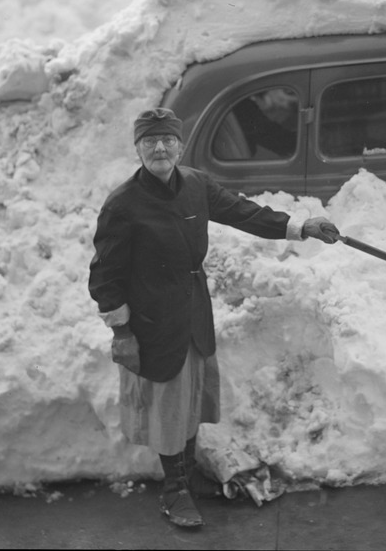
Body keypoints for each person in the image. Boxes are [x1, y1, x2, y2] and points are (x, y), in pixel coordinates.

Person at [88, 107, 340, 528]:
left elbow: (246, 213)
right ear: (137, 149)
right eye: (150, 141)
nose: (160, 148)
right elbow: (104, 276)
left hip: (193, 312)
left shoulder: (196, 185)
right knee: (169, 406)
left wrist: (301, 226)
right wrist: (122, 332)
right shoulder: (122, 204)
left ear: (181, 145)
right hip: (152, 322)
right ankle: (174, 490)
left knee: (190, 401)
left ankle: (185, 477)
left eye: (168, 139)